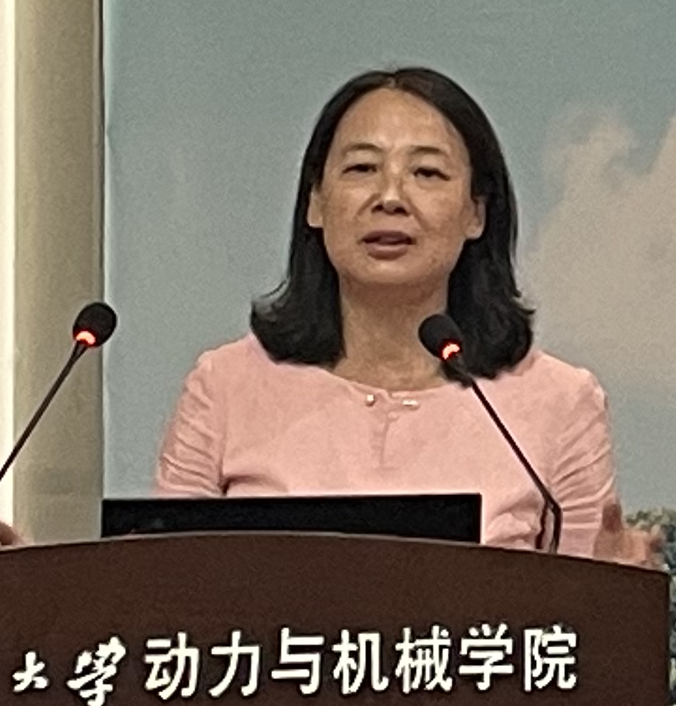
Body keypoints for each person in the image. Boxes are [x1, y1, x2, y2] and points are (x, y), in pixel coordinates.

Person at [155, 65, 650, 561]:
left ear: (476, 212)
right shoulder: (224, 388)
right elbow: (160, 584)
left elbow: (587, 600)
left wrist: (625, 589)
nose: (390, 198)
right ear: (316, 203)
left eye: (427, 173)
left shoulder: (559, 403)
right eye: (362, 169)